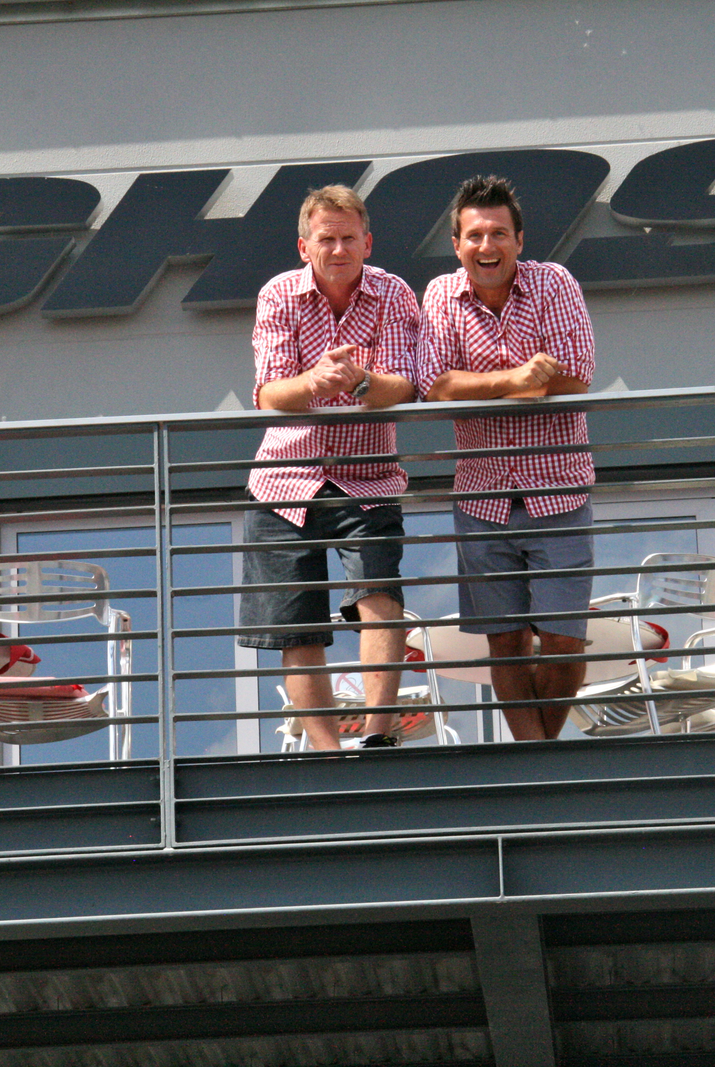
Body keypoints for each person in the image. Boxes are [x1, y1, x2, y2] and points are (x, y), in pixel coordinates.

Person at [239, 185, 419, 750]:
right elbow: (269, 393)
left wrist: (360, 381)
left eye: (348, 238)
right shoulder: (279, 295)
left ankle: (377, 738)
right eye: (326, 239)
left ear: (368, 242)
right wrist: (314, 382)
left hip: (367, 476)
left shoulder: (392, 293)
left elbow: (407, 386)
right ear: (304, 246)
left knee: (380, 600)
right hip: (283, 479)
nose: (338, 249)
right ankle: (325, 753)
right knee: (299, 625)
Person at [416, 174, 596, 741]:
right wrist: (517, 380)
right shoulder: (441, 294)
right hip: (482, 496)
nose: (486, 246)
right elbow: (434, 386)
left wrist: (488, 387)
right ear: (457, 244)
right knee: (506, 644)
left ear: (520, 239)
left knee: (565, 642)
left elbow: (577, 374)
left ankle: (535, 763)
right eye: (474, 236)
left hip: (558, 489)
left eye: (498, 233)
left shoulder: (555, 283)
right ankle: (538, 765)